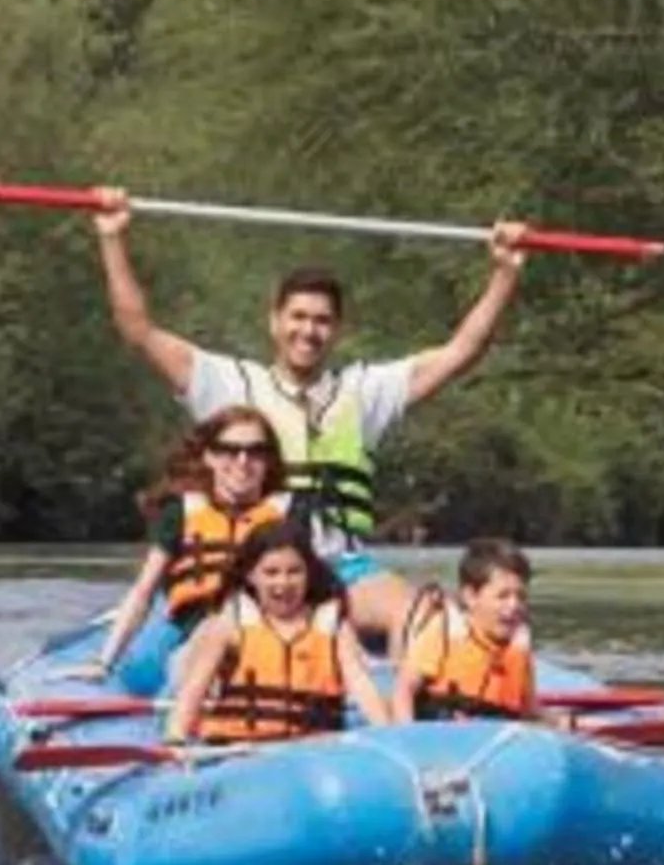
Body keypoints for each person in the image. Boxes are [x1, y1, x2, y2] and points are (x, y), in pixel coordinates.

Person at [91, 189, 530, 644]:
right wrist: (112, 238)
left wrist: (504, 272)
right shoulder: (230, 384)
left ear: (336, 330)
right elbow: (138, 330)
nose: (308, 331)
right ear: (275, 322)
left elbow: (463, 351)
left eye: (322, 321)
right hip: (262, 570)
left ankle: (408, 709)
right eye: (297, 317)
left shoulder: (363, 391)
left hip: (343, 567)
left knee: (418, 613)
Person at [86, 406, 293, 680]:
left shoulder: (288, 515)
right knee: (188, 653)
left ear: (269, 460)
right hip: (192, 630)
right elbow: (143, 592)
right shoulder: (181, 513)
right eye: (229, 450)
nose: (243, 461)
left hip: (266, 628)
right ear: (209, 456)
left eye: (256, 451)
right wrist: (104, 663)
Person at [164, 519, 392, 745]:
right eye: (271, 573)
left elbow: (361, 684)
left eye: (294, 572)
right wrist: (175, 738)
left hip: (312, 752)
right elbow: (193, 692)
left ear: (309, 574)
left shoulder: (332, 627)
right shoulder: (228, 625)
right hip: (239, 751)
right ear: (251, 575)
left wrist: (389, 733)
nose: (283, 583)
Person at [389, 536, 550, 723]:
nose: (514, 605)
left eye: (521, 596)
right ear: (470, 596)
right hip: (440, 738)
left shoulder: (519, 643)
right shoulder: (444, 632)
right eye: (503, 596)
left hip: (496, 738)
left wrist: (564, 723)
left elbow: (529, 709)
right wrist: (409, 736)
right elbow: (403, 691)